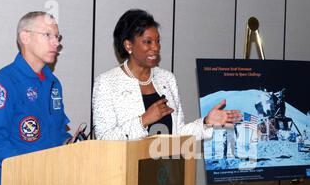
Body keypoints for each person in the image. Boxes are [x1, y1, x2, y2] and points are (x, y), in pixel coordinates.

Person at [92, 9, 242, 141]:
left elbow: (178, 134)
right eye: (147, 42)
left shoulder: (167, 79)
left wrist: (206, 122)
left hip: (166, 169)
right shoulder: (106, 83)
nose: (155, 47)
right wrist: (143, 120)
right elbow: (104, 139)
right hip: (125, 170)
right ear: (128, 45)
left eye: (157, 41)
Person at [0, 11, 71, 185]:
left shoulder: (53, 83)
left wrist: (71, 144)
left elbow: (58, 131)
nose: (55, 43)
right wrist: (36, 169)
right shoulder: (4, 83)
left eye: (57, 37)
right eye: (47, 35)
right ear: (25, 37)